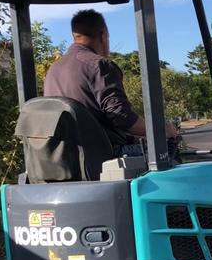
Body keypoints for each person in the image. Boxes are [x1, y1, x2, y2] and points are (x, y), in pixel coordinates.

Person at [44, 9, 176, 156]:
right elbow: (121, 117)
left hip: (62, 157)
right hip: (101, 156)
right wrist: (162, 130)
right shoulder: (99, 66)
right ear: (103, 35)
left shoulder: (53, 70)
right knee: (166, 151)